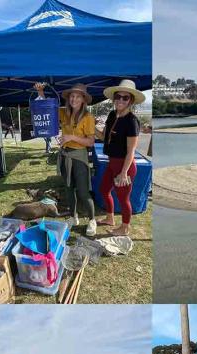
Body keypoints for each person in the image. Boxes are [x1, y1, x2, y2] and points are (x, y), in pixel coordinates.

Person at [99, 79, 144, 237]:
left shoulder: (132, 122)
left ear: (131, 100)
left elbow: (131, 151)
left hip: (125, 166)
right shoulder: (112, 114)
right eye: (118, 96)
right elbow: (104, 136)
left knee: (123, 198)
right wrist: (90, 128)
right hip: (112, 163)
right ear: (114, 98)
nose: (120, 100)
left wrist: (124, 173)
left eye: (125, 98)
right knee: (104, 190)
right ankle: (110, 218)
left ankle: (125, 228)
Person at [56, 84, 98, 237]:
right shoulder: (63, 113)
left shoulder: (88, 117)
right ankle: (74, 217)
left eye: (78, 96)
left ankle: (92, 220)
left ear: (83, 100)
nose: (74, 99)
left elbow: (91, 142)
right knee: (68, 188)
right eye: (72, 96)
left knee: (82, 190)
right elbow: (45, 109)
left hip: (79, 156)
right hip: (65, 155)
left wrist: (71, 137)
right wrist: (40, 92)